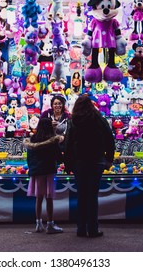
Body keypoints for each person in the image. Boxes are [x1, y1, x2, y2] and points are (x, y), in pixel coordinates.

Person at [64, 95, 115, 238]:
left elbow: (68, 143)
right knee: (92, 196)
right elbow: (109, 139)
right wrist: (108, 159)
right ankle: (92, 228)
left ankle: (81, 228)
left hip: (79, 162)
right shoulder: (99, 119)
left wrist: (67, 164)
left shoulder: (73, 121)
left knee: (81, 195)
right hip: (96, 161)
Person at [23, 118, 64, 234]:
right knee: (49, 198)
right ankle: (50, 224)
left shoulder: (32, 140)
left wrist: (32, 169)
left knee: (39, 198)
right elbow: (59, 157)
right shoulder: (52, 141)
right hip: (48, 171)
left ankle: (38, 224)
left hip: (37, 172)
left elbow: (29, 158)